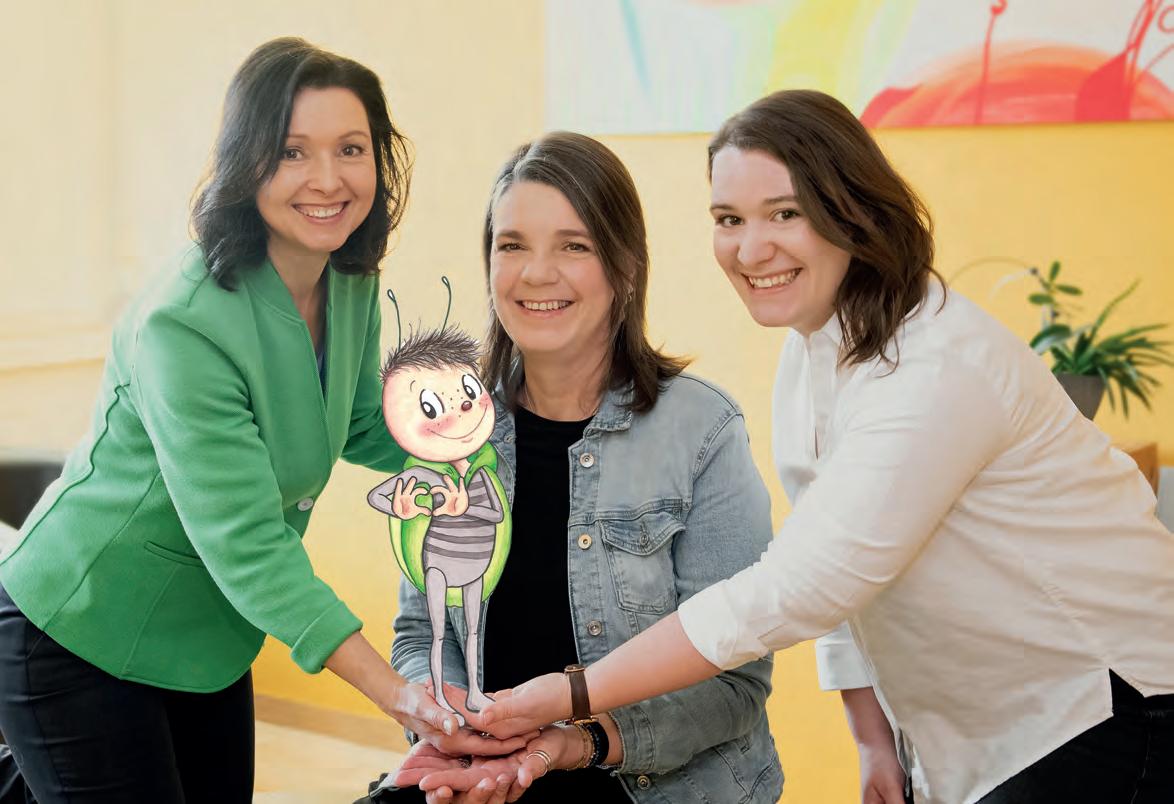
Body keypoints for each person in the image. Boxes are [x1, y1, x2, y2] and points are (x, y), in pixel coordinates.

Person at [478, 90, 1174, 804]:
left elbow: (803, 585)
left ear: (853, 211)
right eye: (729, 219)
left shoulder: (936, 366)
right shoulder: (813, 353)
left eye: (786, 213)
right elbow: (842, 570)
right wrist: (873, 740)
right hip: (986, 737)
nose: (751, 249)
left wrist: (570, 694)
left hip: (1109, 700)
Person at [0, 37, 522, 804]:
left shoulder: (347, 278)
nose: (327, 179)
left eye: (351, 149)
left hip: (204, 642)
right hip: (78, 629)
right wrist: (398, 694)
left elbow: (357, 421)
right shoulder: (184, 324)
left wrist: (486, 446)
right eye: (292, 151)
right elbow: (249, 546)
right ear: (246, 163)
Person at [376, 132, 783, 804]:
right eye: (512, 245)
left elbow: (735, 681)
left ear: (626, 268)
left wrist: (579, 741)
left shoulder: (702, 431)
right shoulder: (450, 430)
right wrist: (445, 721)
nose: (537, 273)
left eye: (574, 246)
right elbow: (421, 633)